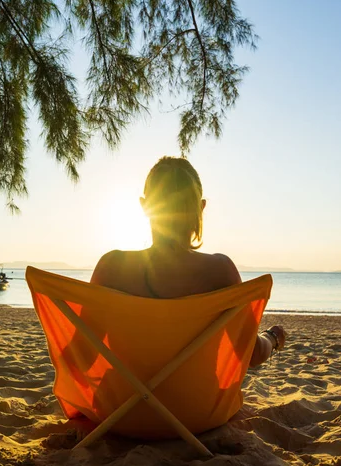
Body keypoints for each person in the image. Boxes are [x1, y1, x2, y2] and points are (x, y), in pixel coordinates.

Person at [91, 156, 286, 367]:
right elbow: (251, 354)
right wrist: (272, 337)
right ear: (201, 207)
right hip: (196, 401)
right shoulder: (220, 271)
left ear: (144, 206)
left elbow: (82, 357)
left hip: (120, 400)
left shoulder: (111, 266)